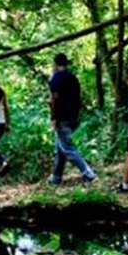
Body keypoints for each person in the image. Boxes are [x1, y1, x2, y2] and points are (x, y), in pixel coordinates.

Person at [48, 53, 96, 184]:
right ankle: (56, 177)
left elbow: (54, 99)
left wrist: (54, 118)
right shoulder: (73, 78)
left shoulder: (56, 78)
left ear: (55, 63)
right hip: (73, 116)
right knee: (60, 148)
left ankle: (88, 173)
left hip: (61, 116)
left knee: (68, 148)